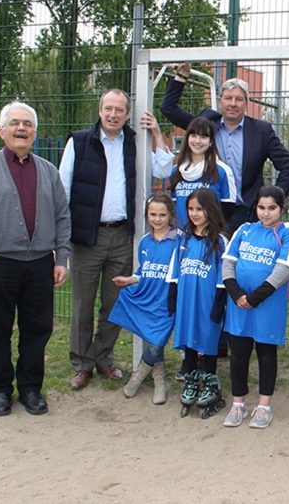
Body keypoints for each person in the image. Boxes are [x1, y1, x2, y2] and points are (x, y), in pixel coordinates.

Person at [0, 101, 70, 416]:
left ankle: (31, 389)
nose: (22, 129)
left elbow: (63, 217)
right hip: (0, 265)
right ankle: (2, 389)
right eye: (15, 123)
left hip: (39, 266)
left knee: (37, 329)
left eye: (28, 124)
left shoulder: (48, 171)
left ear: (35, 132)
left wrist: (61, 258)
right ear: (1, 131)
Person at [59, 89, 174, 390]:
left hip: (122, 235)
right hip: (86, 237)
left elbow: (164, 169)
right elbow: (63, 190)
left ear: (126, 114)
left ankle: (104, 359)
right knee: (83, 305)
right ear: (100, 111)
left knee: (113, 304)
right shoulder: (79, 142)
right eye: (108, 109)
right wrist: (62, 235)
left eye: (119, 110)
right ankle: (82, 364)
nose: (113, 115)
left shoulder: (136, 141)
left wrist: (158, 133)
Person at [159, 63, 289, 230]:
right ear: (220, 101)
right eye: (228, 98)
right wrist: (181, 77)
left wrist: (273, 200)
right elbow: (168, 108)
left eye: (239, 99)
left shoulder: (261, 131)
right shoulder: (206, 123)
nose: (233, 103)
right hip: (211, 212)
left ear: (246, 103)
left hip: (247, 213)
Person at [222, 186, 289, 429]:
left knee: (266, 355)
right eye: (261, 208)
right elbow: (228, 261)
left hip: (267, 305)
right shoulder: (244, 230)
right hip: (239, 304)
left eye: (272, 208)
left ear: (282, 208)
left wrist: (255, 297)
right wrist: (237, 293)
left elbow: (285, 269)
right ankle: (238, 404)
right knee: (238, 354)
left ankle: (264, 406)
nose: (266, 213)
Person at [108, 192, 179, 405]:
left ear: (170, 215)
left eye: (162, 215)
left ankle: (139, 376)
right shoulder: (145, 242)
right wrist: (129, 279)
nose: (157, 219)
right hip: (146, 297)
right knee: (151, 341)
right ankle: (159, 381)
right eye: (153, 214)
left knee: (157, 343)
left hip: (166, 300)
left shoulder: (179, 240)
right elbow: (143, 271)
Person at [168, 188, 230, 419]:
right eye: (191, 209)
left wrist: (219, 302)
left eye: (200, 209)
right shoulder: (183, 238)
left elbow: (224, 275)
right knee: (189, 339)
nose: (194, 214)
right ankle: (192, 379)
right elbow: (175, 269)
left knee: (207, 339)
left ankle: (211, 382)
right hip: (186, 299)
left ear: (211, 210)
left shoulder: (220, 241)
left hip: (207, 301)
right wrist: (172, 295)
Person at [168, 117, 236, 228]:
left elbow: (228, 209)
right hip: (182, 237)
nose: (198, 141)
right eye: (193, 135)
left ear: (211, 142)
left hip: (209, 237)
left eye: (203, 136)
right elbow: (175, 207)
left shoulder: (222, 171)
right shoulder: (176, 171)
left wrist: (206, 232)